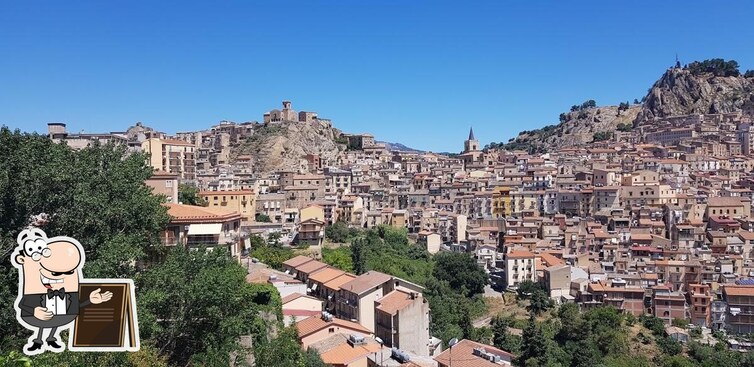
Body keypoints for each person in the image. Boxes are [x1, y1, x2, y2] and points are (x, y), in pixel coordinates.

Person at [11, 228, 113, 354]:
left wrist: (90, 301)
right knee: (44, 322)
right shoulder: (33, 291)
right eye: (55, 273)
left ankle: (51, 338)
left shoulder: (69, 294)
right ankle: (38, 341)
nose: (59, 276)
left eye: (69, 272)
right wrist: (34, 311)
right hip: (37, 318)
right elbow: (22, 304)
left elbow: (75, 307)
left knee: (56, 320)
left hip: (61, 318)